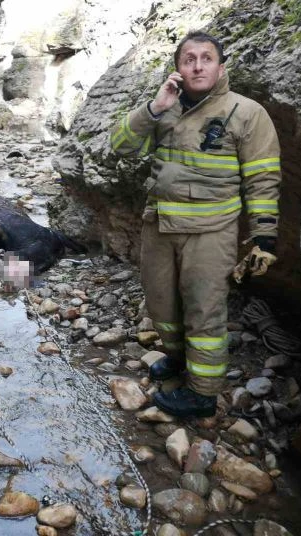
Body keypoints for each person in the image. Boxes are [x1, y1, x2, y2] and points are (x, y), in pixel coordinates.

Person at [109, 31, 281, 417]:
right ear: (178, 68)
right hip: (159, 224)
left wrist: (264, 237)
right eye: (189, 59)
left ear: (221, 67)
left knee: (204, 310)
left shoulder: (247, 112)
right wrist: (153, 108)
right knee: (162, 305)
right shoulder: (163, 107)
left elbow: (263, 178)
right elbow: (119, 145)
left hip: (211, 231)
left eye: (206, 58)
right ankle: (178, 358)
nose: (198, 65)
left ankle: (203, 394)